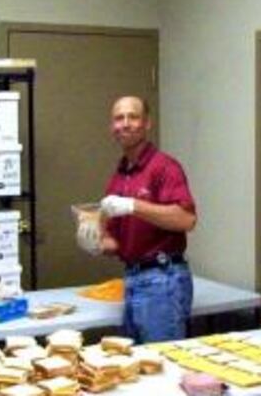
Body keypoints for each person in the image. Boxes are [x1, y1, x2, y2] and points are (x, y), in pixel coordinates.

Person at [77, 95, 197, 343]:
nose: (125, 123)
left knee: (162, 363)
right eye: (119, 118)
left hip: (162, 279)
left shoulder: (164, 167)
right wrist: (95, 243)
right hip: (133, 278)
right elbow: (118, 243)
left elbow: (187, 220)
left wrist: (133, 205)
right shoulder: (121, 175)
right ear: (112, 127)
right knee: (140, 366)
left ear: (147, 123)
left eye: (133, 116)